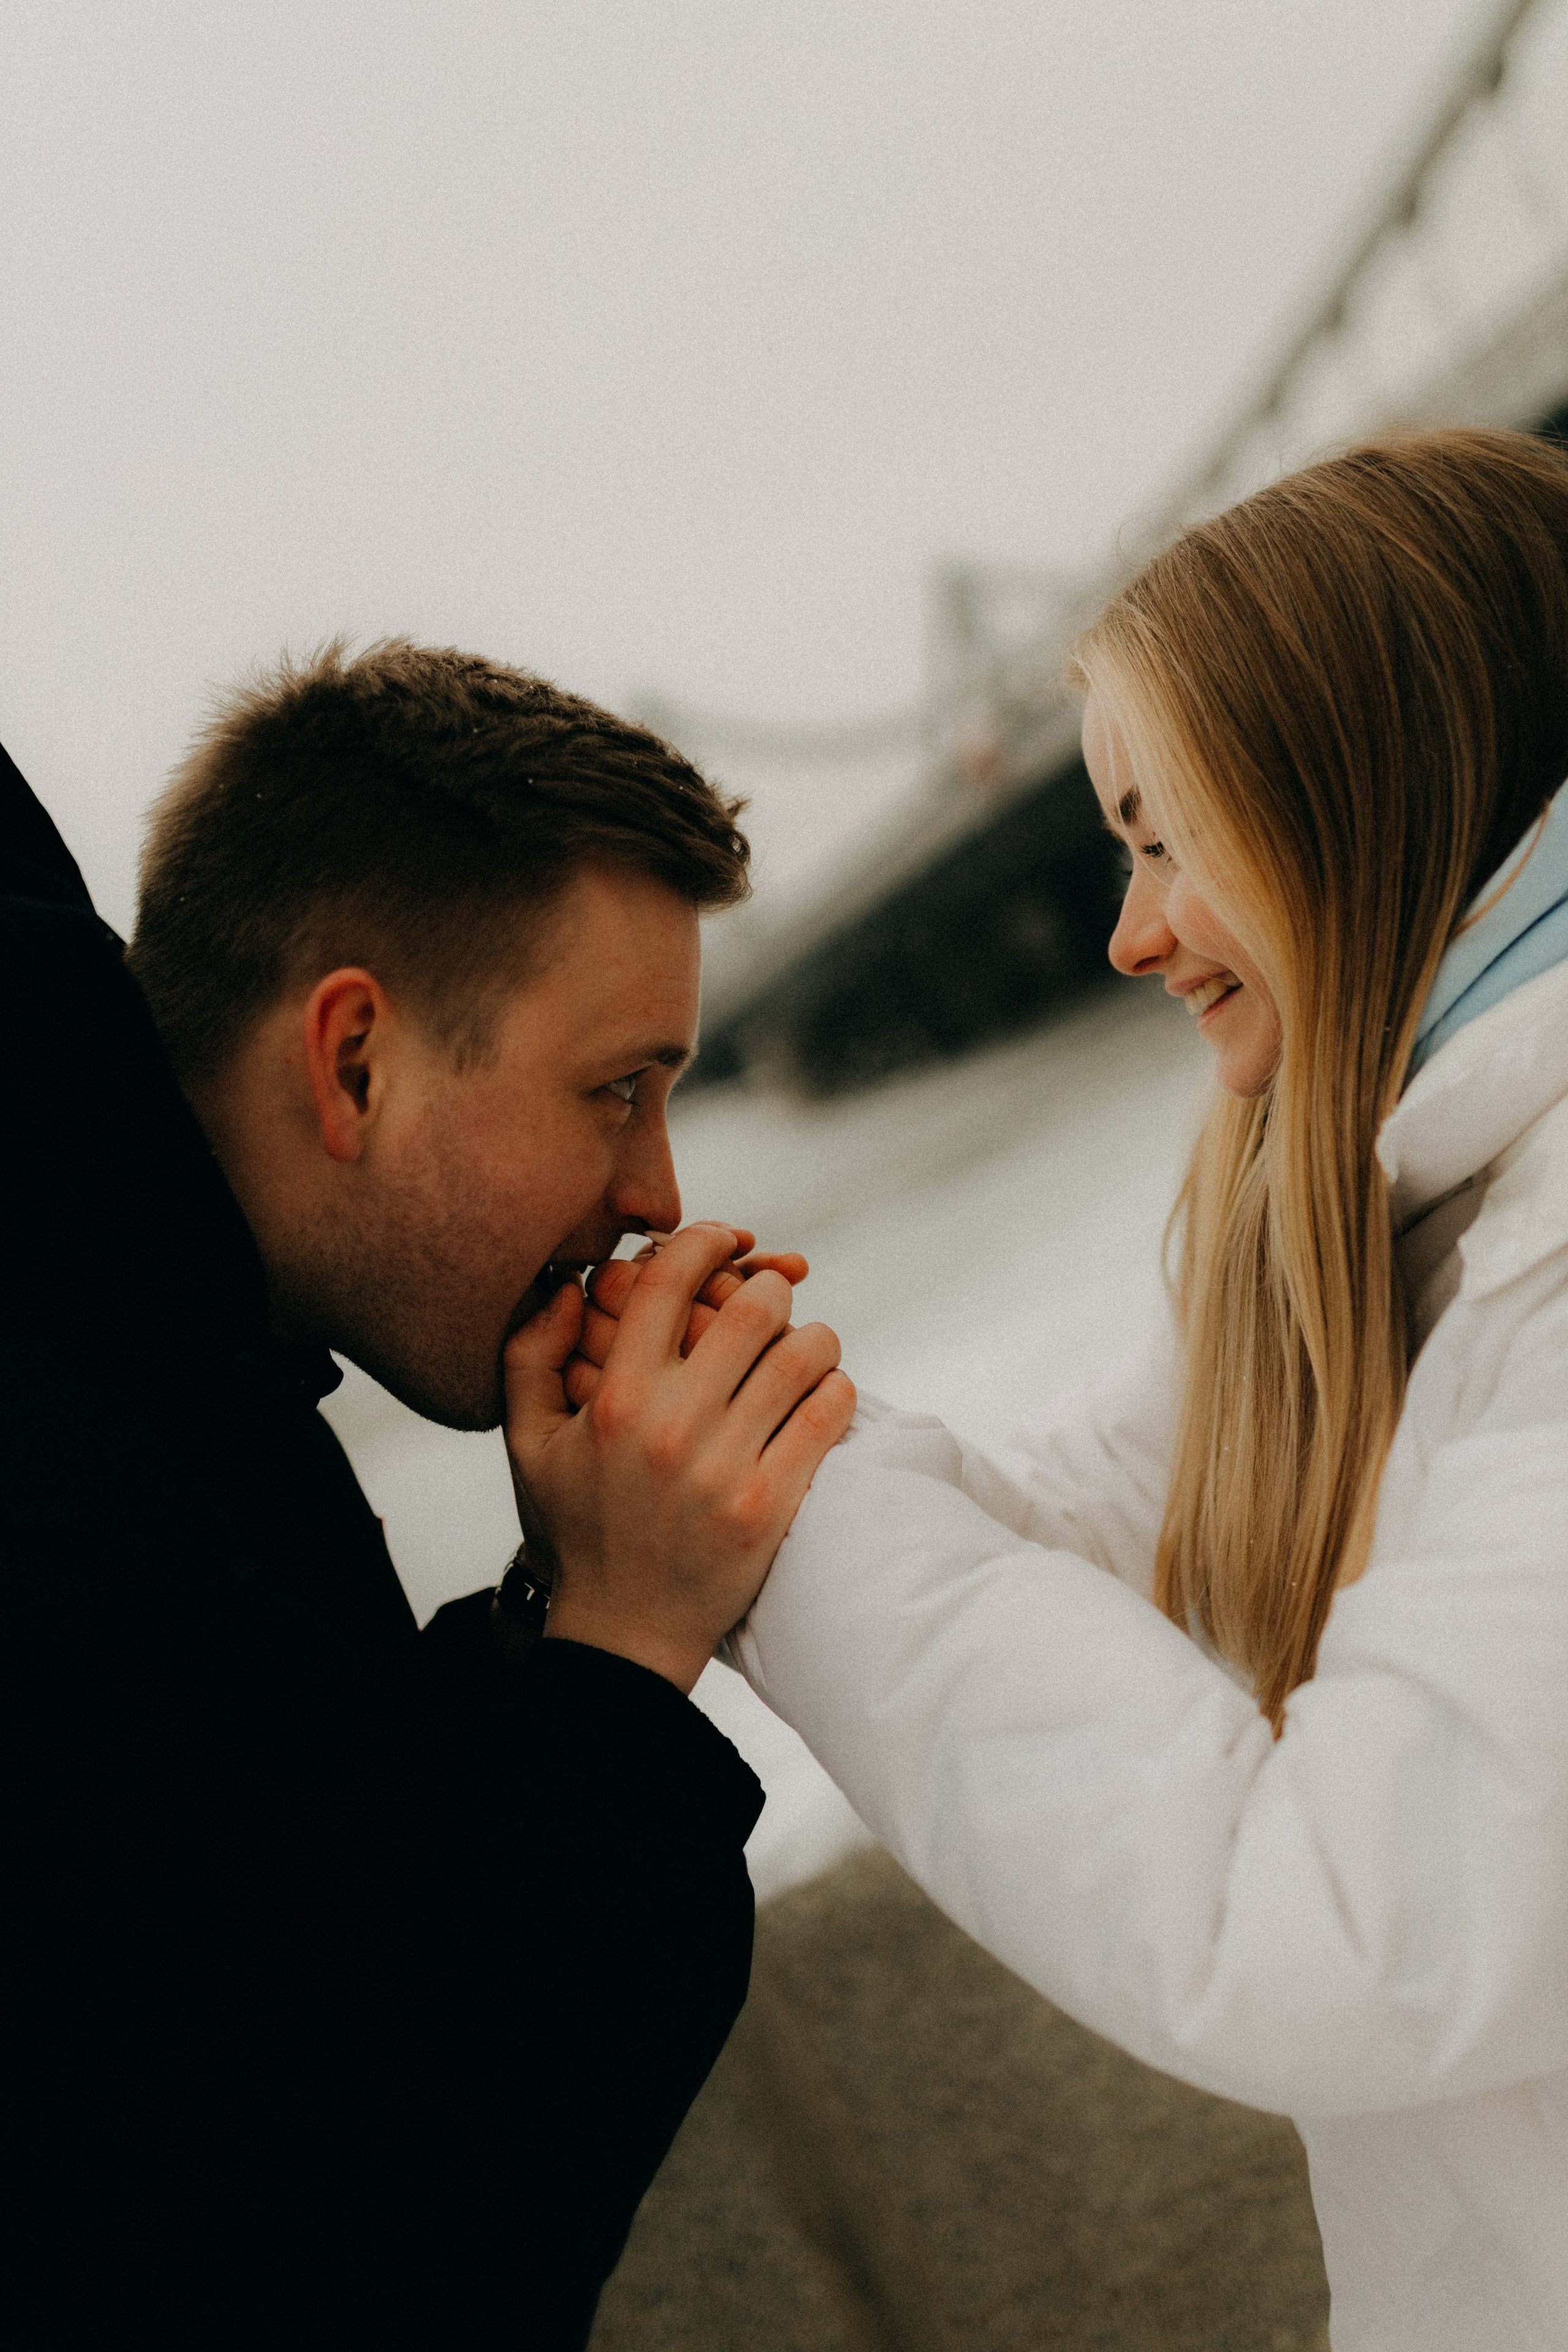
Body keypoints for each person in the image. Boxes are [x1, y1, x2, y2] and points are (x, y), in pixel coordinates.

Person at [567, 428, 1568, 2349]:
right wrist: (760, 1441)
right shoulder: (1363, 1214)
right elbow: (1114, 1536)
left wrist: (798, 1510)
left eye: (1162, 835)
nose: (1126, 933)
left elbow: (1357, 1922)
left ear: (1355, 799)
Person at [2, 640, 853, 2351]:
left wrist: (560, 1611)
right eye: (615, 1088)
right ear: (356, 1061)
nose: (659, 1190)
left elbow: (278, 1912)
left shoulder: (151, 1345)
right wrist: (620, 1660)